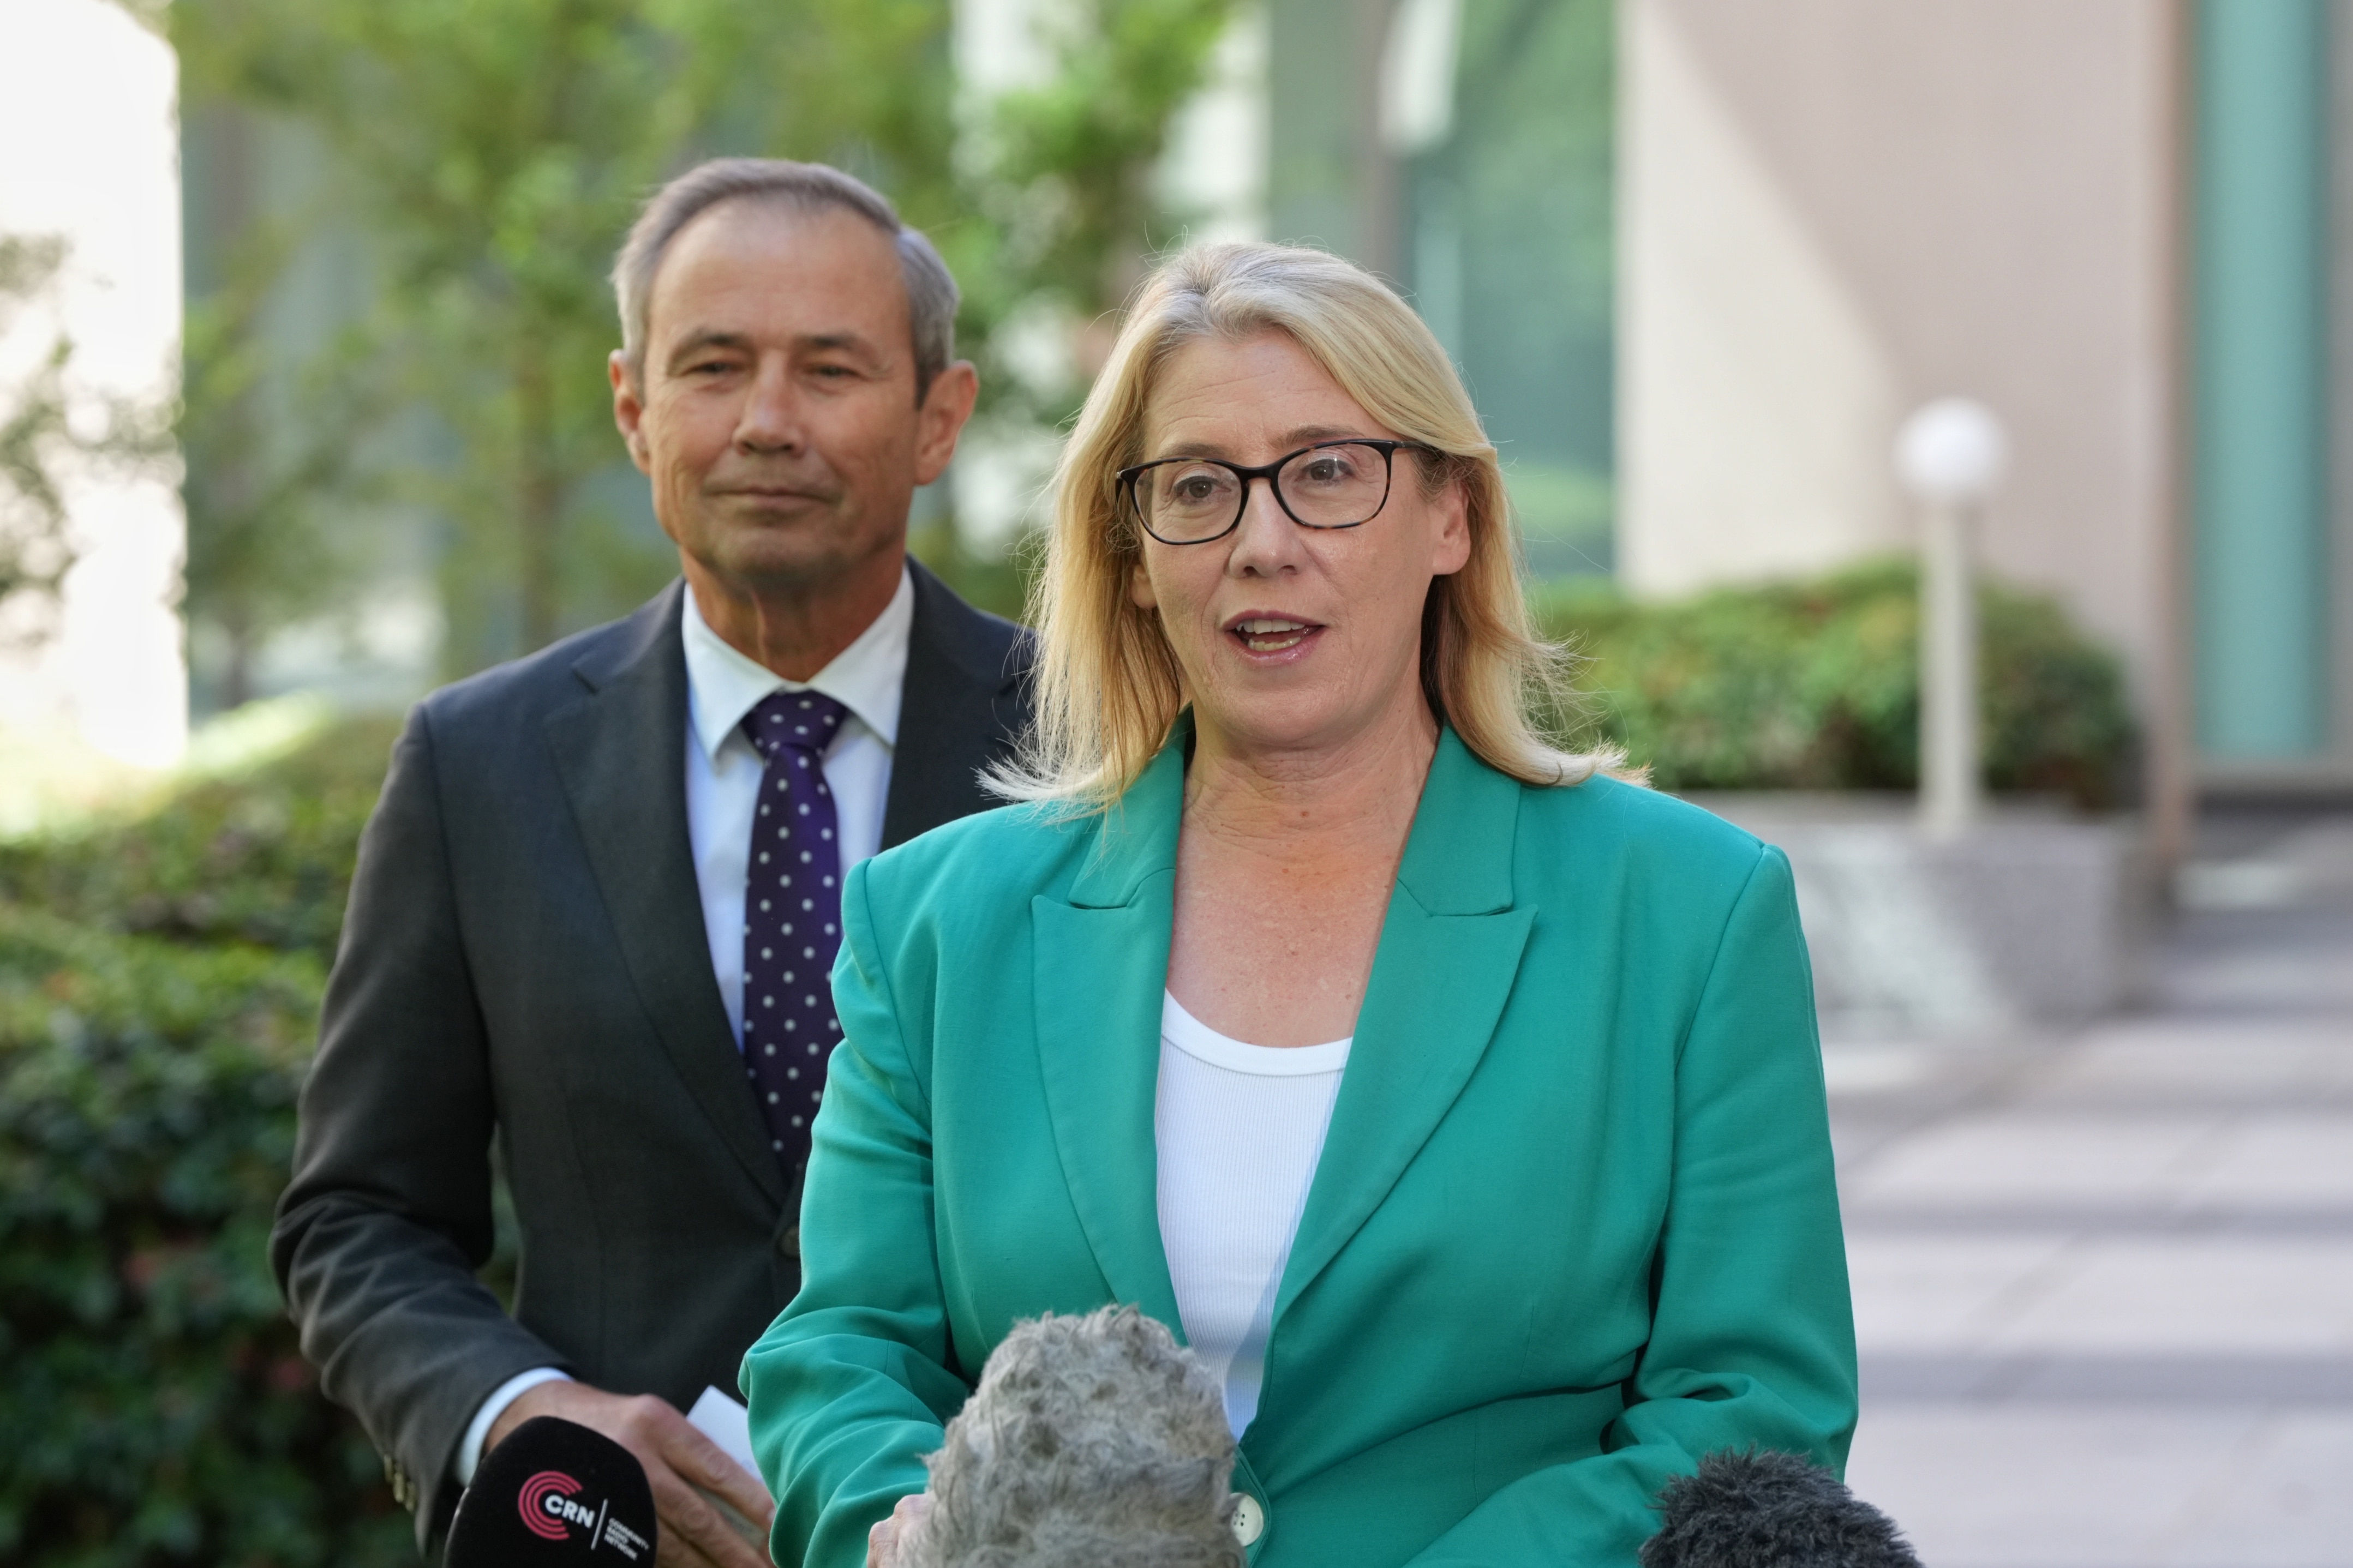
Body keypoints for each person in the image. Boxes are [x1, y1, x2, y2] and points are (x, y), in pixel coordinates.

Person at [742, 240, 1857, 1567]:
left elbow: (1753, 1408)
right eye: (1198, 489)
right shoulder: (934, 921)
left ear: (1452, 516)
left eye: (1329, 473)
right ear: (1136, 553)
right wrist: (909, 1538)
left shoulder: (1689, 912)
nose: (1263, 543)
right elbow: (842, 1349)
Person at [271, 159, 1031, 1567]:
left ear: (939, 416)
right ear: (633, 408)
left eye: (830, 368)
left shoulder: (1097, 746)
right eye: (714, 365)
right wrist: (520, 1412)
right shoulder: (475, 765)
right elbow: (358, 1214)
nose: (765, 422)